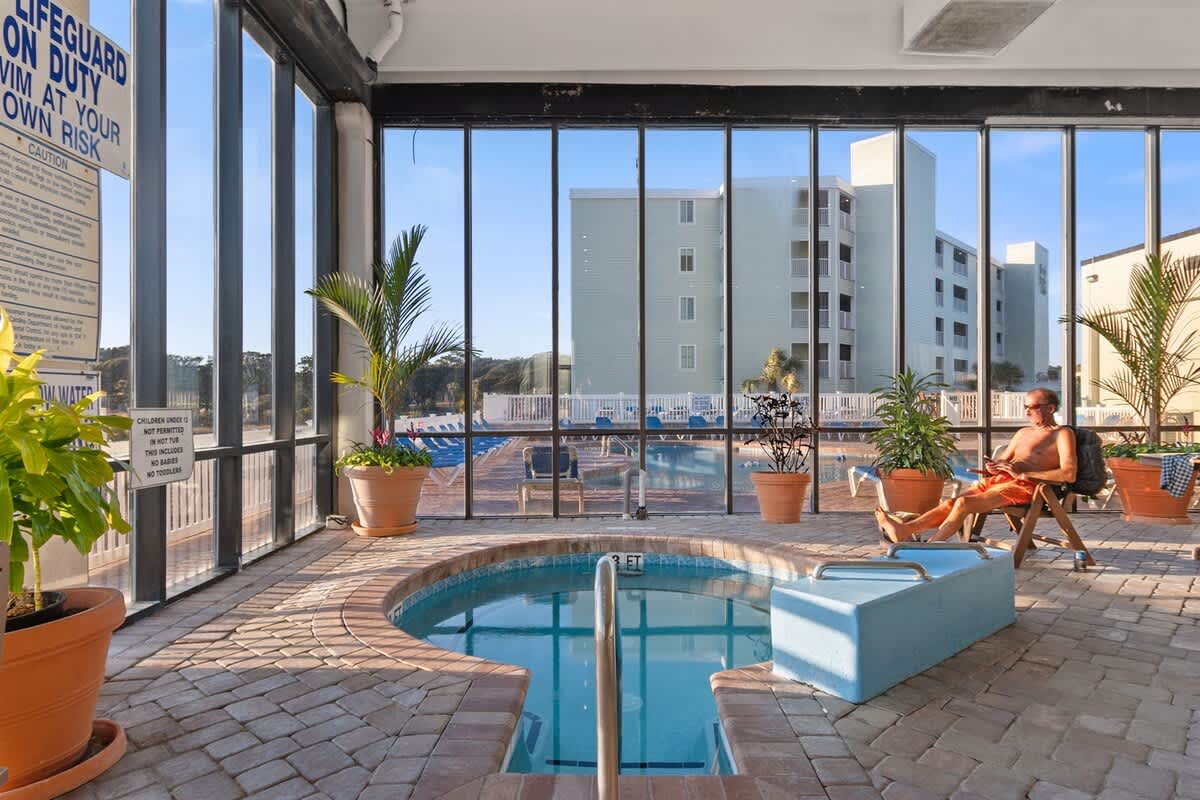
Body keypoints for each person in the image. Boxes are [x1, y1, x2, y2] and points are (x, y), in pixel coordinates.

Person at [875, 388, 1077, 544]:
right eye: (1025, 407)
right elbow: (1004, 461)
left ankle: (931, 545)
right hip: (1001, 481)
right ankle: (904, 531)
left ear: (1050, 408)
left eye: (1031, 408)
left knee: (964, 505)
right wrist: (994, 468)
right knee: (949, 504)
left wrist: (1024, 475)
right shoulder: (1023, 433)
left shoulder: (1062, 434)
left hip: (1027, 487)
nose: (1026, 412)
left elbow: (1069, 474)